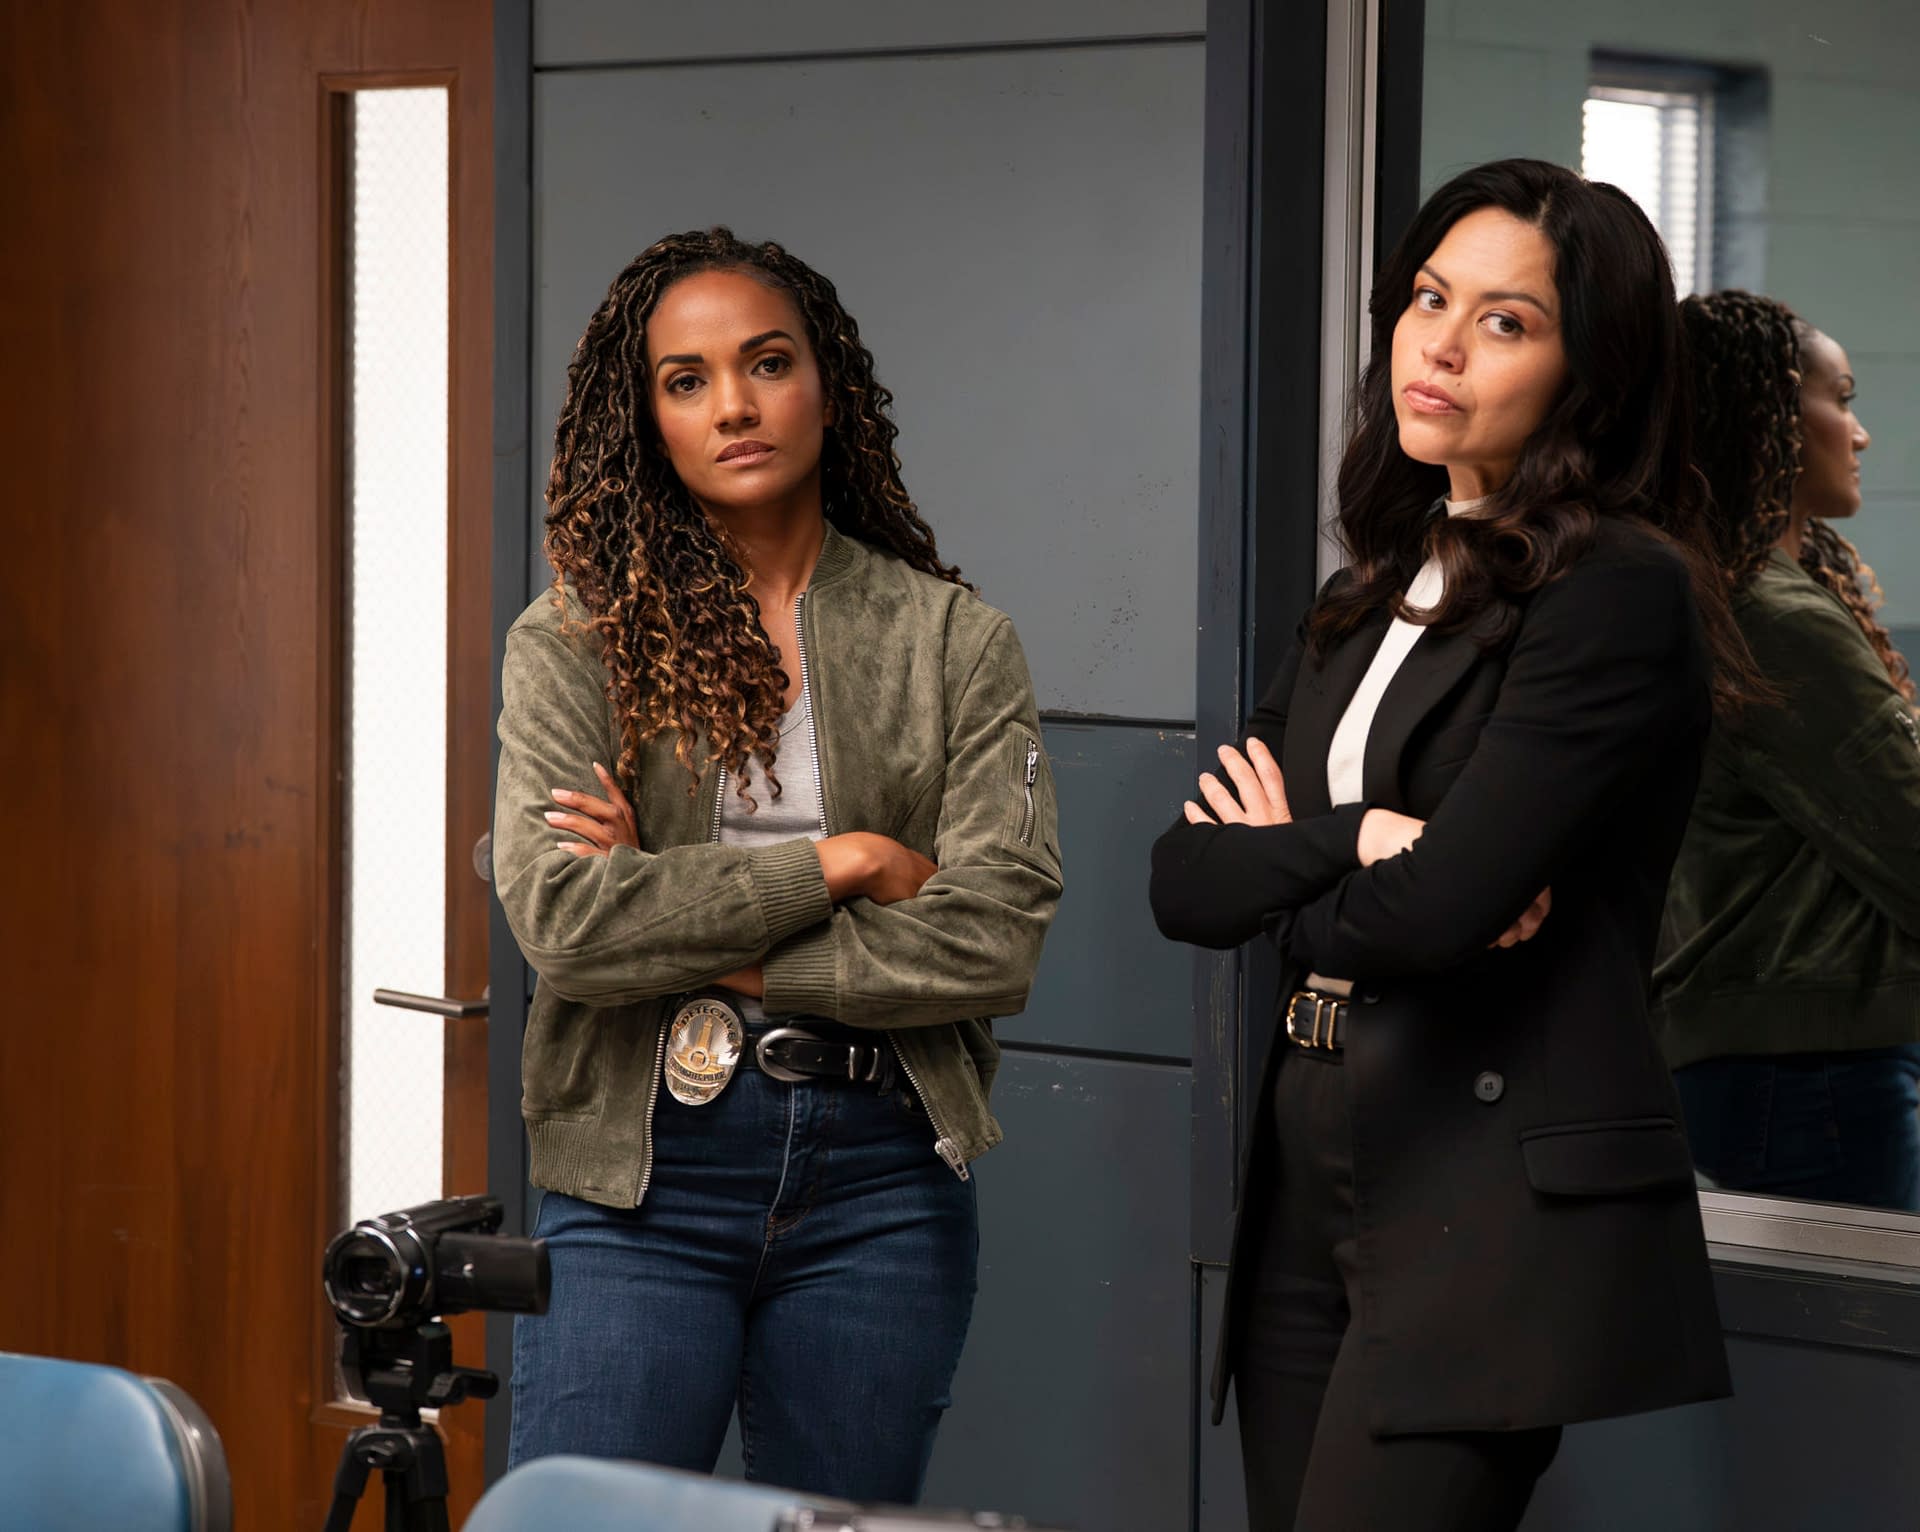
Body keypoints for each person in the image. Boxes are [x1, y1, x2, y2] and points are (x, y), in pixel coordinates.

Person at [1149, 159, 1742, 1530]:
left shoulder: (1616, 588)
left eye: (1506, 320)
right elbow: (1183, 880)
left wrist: (1307, 868)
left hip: (1480, 1187)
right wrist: (1362, 836)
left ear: (1590, 373)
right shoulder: (1367, 588)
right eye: (1429, 298)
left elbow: (1434, 912)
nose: (1442, 343)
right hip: (1305, 1162)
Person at [491, 227, 1062, 1502]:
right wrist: (845, 861)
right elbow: (569, 922)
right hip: (641, 1166)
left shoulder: (954, 641)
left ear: (829, 386)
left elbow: (993, 939)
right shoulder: (576, 639)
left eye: (766, 363)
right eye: (686, 380)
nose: (733, 406)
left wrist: (684, 921)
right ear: (647, 420)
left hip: (883, 1171)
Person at [1656, 291, 1920, 1210]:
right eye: (1840, 400)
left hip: (1767, 1063)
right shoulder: (1775, 618)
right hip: (1811, 1071)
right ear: (1767, 420)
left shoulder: (1722, 593)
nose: (1860, 434)